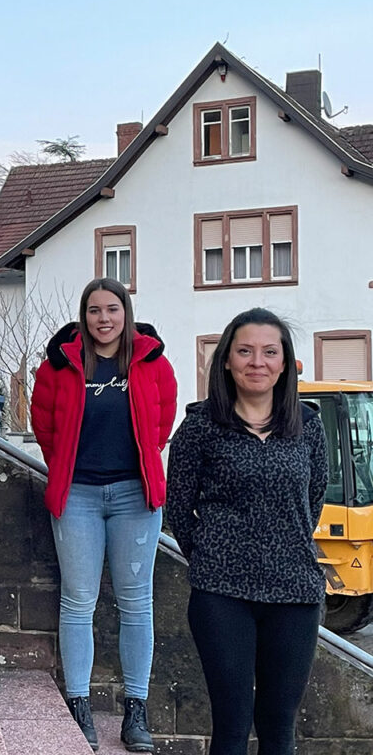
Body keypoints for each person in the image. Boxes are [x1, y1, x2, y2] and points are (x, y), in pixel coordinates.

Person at [166, 308, 328, 755]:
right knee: (232, 725)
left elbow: (310, 502)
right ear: (226, 361)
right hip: (222, 593)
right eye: (245, 351)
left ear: (284, 362)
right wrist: (214, 555)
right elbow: (178, 506)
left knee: (279, 728)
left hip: (294, 593)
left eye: (269, 352)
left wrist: (282, 543)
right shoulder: (200, 427)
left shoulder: (308, 426)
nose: (257, 361)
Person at [30, 278, 177, 753]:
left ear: (126, 313)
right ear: (83, 316)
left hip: (136, 497)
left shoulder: (152, 361)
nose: (103, 319)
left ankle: (136, 710)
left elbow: (161, 421)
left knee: (137, 603)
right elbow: (45, 425)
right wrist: (69, 470)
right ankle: (79, 704)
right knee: (78, 601)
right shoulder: (59, 365)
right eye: (94, 311)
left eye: (112, 309)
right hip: (79, 498)